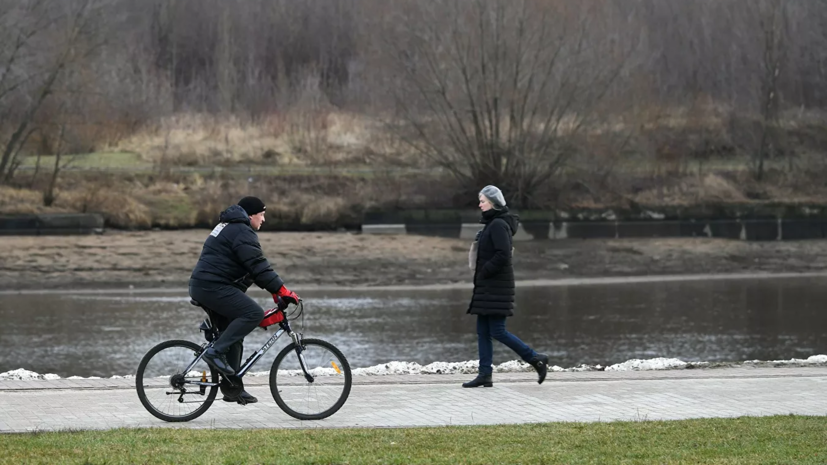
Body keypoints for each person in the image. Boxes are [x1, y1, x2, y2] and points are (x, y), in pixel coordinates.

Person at [188, 196, 299, 404]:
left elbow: (251, 271)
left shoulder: (231, 227)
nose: (263, 220)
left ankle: (233, 387)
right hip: (211, 287)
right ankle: (214, 353)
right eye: (262, 215)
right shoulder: (241, 230)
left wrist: (275, 292)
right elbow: (258, 265)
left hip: (206, 286)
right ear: (250, 215)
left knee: (235, 332)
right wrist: (282, 289)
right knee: (253, 313)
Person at [463, 185, 549, 388]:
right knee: (483, 331)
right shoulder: (491, 225)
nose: (479, 204)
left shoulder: (499, 225)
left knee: (497, 331)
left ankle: (535, 358)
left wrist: (483, 272)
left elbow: (503, 254)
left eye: (483, 201)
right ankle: (485, 374)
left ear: (493, 203)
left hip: (496, 287)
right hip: (487, 287)